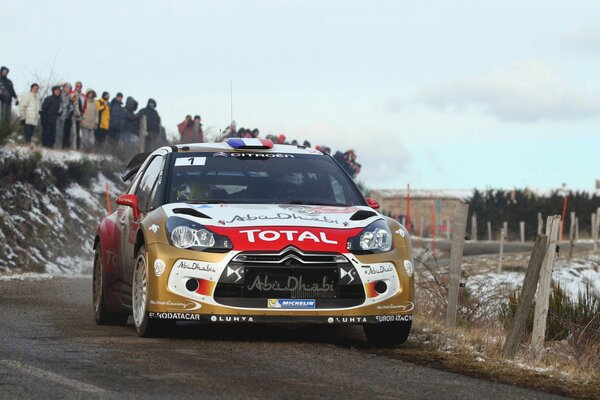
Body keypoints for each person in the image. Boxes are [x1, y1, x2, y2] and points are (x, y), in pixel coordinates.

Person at [57, 82, 76, 149]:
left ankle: (61, 147)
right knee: (57, 132)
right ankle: (56, 147)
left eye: (70, 88)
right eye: (67, 87)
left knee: (62, 133)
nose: (68, 89)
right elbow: (55, 88)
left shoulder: (70, 96)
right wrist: (61, 85)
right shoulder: (60, 94)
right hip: (58, 115)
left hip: (65, 117)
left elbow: (73, 105)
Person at [71, 81, 85, 149]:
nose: (79, 87)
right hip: (72, 115)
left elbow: (84, 106)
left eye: (80, 86)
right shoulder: (72, 93)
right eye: (77, 86)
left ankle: (78, 147)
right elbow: (72, 103)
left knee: (79, 133)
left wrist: (82, 114)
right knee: (73, 132)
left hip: (80, 116)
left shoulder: (83, 96)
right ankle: (72, 147)